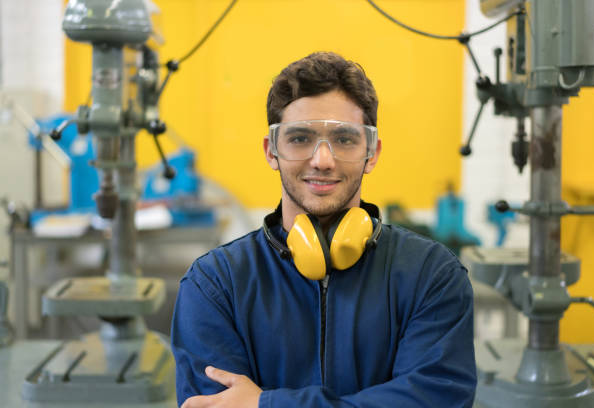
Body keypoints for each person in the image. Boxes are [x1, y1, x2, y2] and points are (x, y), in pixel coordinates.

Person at [171, 51, 477, 408]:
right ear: (272, 151)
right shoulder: (215, 284)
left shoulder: (431, 274)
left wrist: (265, 404)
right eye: (300, 138)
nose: (322, 160)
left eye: (345, 140)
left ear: (372, 153)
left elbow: (435, 400)